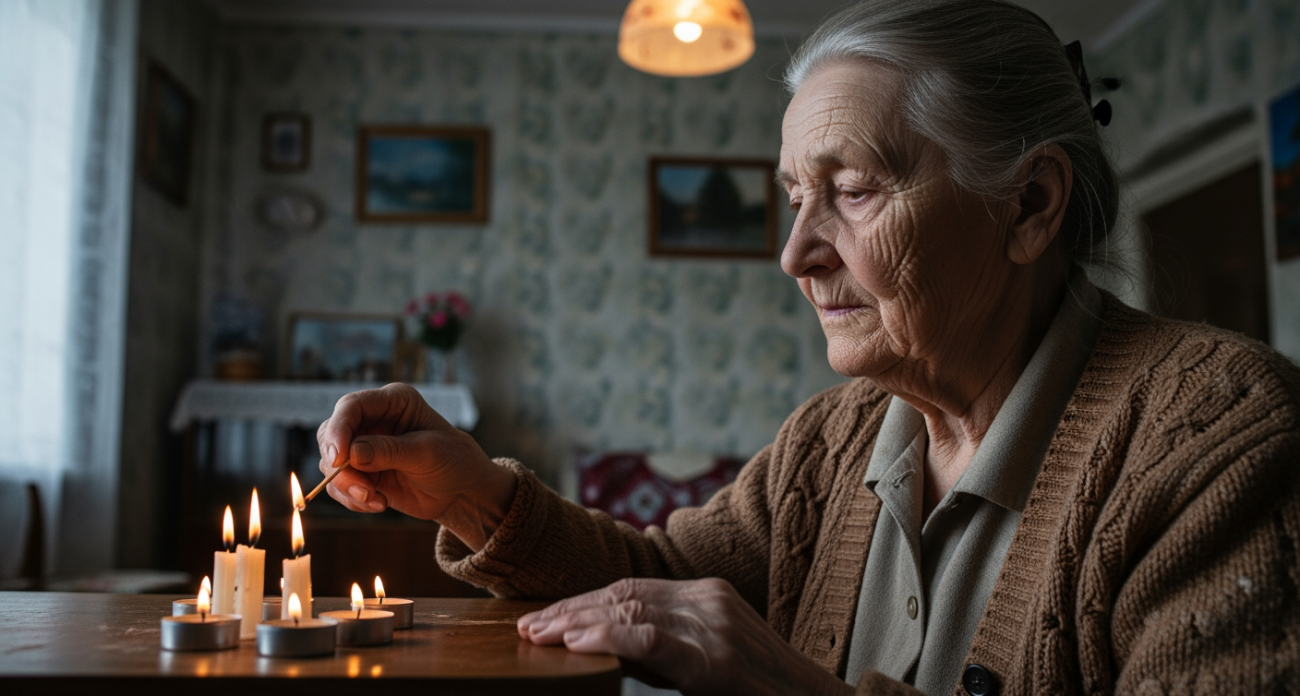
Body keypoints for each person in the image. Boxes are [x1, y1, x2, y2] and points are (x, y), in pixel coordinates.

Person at [316, 1, 1300, 693]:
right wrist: (469, 493)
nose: (794, 254)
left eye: (855, 191)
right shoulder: (830, 444)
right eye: (795, 198)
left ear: (1029, 203)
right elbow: (653, 576)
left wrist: (779, 686)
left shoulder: (1220, 439)